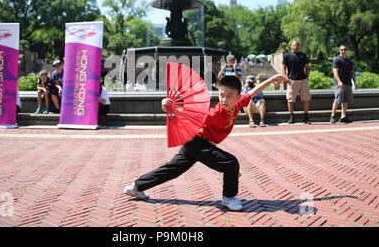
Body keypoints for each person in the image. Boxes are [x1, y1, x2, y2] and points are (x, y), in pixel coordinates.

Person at [123, 73, 287, 211]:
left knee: (172, 170)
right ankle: (228, 198)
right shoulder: (215, 113)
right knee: (230, 163)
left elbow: (252, 92)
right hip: (197, 143)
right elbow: (191, 114)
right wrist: (169, 106)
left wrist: (272, 80)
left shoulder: (238, 105)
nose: (224, 99)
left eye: (230, 96)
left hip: (195, 144)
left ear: (238, 96)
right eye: (222, 95)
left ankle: (135, 187)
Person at [282, 41, 312, 124]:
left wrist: (307, 77)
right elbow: (283, 67)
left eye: (297, 45)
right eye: (294, 45)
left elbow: (307, 67)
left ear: (299, 46)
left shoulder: (303, 55)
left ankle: (306, 117)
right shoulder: (287, 56)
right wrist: (286, 77)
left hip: (303, 80)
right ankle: (291, 117)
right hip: (292, 80)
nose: (296, 47)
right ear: (291, 46)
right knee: (290, 100)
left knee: (306, 99)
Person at [330, 45, 358, 124]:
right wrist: (339, 81)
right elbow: (335, 71)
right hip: (340, 84)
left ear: (347, 50)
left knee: (346, 101)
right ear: (339, 50)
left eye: (345, 49)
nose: (343, 51)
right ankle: (332, 116)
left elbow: (352, 73)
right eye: (342, 50)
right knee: (337, 100)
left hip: (348, 83)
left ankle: (343, 116)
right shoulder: (337, 60)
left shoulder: (349, 61)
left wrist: (355, 83)